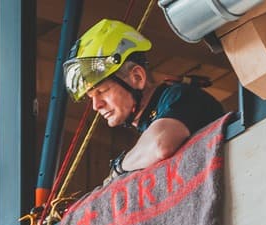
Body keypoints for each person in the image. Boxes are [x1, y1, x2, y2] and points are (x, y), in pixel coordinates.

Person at [64, 20, 225, 180]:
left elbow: (161, 144)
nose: (96, 105)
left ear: (137, 77)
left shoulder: (180, 96)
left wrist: (119, 168)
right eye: (91, 97)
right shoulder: (151, 120)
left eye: (102, 91)